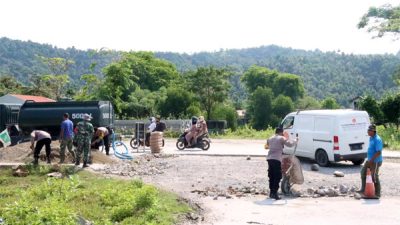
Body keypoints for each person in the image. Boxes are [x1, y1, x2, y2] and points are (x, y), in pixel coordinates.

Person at [266, 127, 297, 200]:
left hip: (269, 159)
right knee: (277, 176)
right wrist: (296, 140)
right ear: (281, 132)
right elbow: (290, 144)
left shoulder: (270, 138)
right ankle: (275, 194)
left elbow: (267, 146)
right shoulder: (281, 138)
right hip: (276, 159)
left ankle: (271, 193)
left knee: (271, 176)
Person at [358, 124, 383, 198]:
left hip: (375, 161)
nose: (367, 132)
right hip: (370, 160)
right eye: (367, 130)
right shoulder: (371, 138)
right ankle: (363, 189)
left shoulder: (377, 139)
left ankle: (377, 194)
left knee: (374, 176)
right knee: (363, 172)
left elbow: (379, 152)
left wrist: (372, 160)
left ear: (373, 131)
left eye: (369, 130)